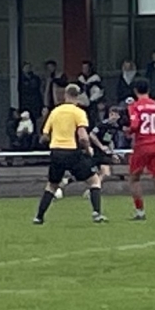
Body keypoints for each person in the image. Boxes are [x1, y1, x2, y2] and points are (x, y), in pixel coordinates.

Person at [36, 84, 108, 224]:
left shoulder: (55, 111)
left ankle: (39, 216)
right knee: (94, 181)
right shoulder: (78, 112)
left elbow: (44, 136)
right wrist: (88, 149)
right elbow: (83, 136)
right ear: (78, 96)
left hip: (56, 152)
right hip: (71, 151)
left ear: (65, 95)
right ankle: (97, 213)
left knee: (52, 185)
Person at [124, 78, 155, 221]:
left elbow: (135, 125)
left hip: (142, 146)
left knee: (134, 179)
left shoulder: (135, 106)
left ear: (135, 90)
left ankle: (140, 212)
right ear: (149, 90)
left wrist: (128, 131)